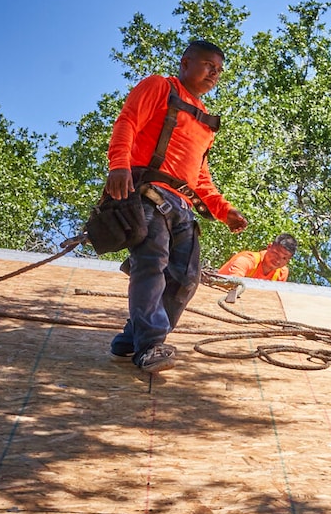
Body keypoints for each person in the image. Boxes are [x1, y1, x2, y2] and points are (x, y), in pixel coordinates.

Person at [104, 40, 249, 373]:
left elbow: (200, 178)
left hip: (181, 207)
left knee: (186, 278)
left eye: (219, 70)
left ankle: (131, 340)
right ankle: (151, 344)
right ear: (185, 63)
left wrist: (224, 211)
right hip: (150, 194)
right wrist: (119, 165)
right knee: (152, 264)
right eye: (208, 65)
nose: (215, 73)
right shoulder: (159, 86)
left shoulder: (204, 124)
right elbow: (127, 121)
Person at [219, 234, 298, 282]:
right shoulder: (248, 260)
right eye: (276, 254)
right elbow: (233, 282)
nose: (278, 260)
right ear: (269, 247)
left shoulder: (282, 273)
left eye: (284, 258)